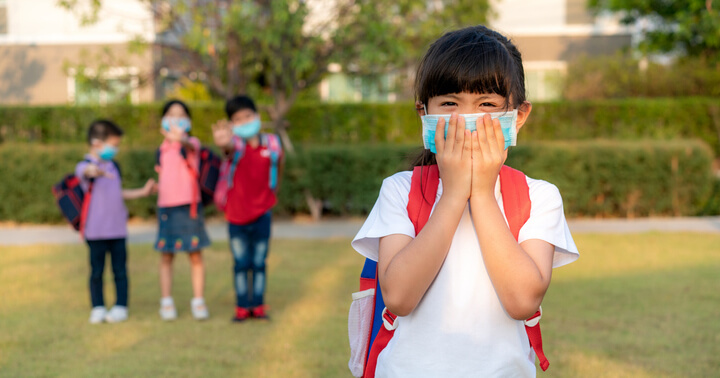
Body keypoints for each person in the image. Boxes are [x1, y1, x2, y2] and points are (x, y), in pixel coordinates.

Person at [351, 25, 580, 376]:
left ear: (518, 117)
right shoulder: (400, 190)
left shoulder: (538, 197)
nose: (466, 120)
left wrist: (483, 194)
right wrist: (455, 194)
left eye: (486, 104)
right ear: (424, 115)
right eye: (449, 104)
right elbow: (398, 297)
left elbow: (523, 301)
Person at [211, 95, 284, 321]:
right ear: (231, 124)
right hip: (236, 215)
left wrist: (273, 194)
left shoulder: (271, 143)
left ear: (257, 117)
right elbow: (227, 149)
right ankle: (242, 306)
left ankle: (258, 306)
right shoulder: (236, 145)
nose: (244, 122)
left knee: (260, 262)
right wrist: (224, 143)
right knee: (241, 263)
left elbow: (279, 165)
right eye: (237, 119)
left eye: (247, 116)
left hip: (263, 213)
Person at [75, 119, 155, 324]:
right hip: (95, 231)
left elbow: (117, 194)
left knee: (120, 270)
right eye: (114, 144)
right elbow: (85, 172)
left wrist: (142, 192)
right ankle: (98, 307)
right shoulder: (84, 166)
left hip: (118, 230)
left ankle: (121, 306)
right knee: (97, 272)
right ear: (97, 143)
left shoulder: (114, 166)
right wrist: (95, 170)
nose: (115, 149)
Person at [154, 100, 211, 321]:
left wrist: (182, 139)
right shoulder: (162, 149)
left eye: (181, 115)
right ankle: (166, 302)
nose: (176, 119)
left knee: (195, 255)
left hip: (190, 206)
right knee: (166, 256)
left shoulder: (192, 143)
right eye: (170, 114)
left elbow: (192, 146)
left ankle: (198, 300)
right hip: (166, 207)